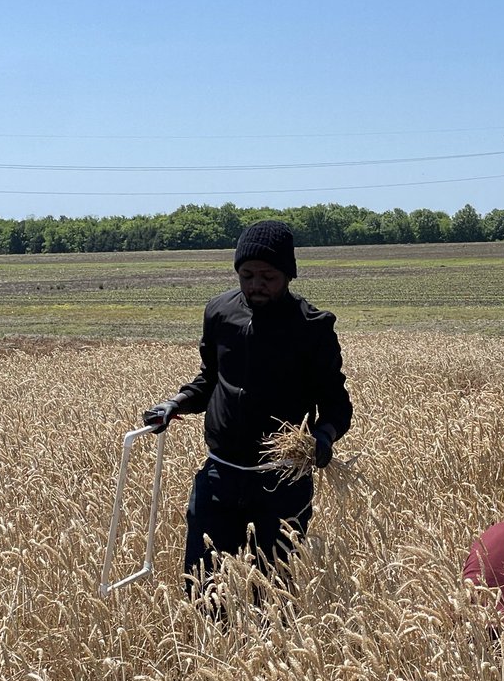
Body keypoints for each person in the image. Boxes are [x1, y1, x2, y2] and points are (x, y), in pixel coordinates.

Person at [142, 219, 353, 593]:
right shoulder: (220, 313)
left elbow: (338, 406)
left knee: (272, 593)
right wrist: (174, 404)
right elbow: (209, 379)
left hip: (281, 482)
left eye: (267, 276)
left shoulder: (312, 327)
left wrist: (322, 438)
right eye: (247, 275)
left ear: (288, 275)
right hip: (220, 476)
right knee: (204, 587)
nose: (256, 285)